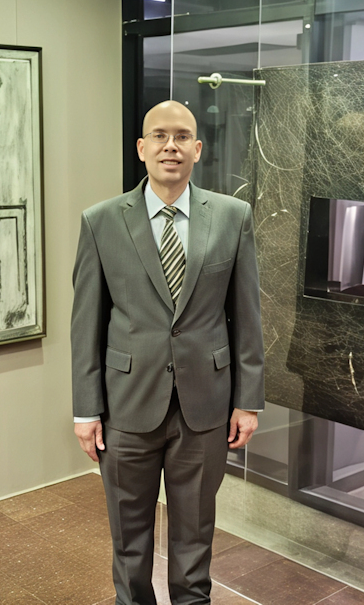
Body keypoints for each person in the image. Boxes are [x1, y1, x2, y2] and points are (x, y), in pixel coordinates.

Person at [71, 100, 264, 605]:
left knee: (195, 534)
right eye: (159, 136)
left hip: (205, 407)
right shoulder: (101, 221)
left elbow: (247, 317)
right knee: (128, 537)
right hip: (126, 406)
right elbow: (86, 323)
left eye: (181, 137)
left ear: (197, 149)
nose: (170, 146)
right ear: (142, 148)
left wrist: (248, 401)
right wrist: (86, 409)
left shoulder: (232, 217)